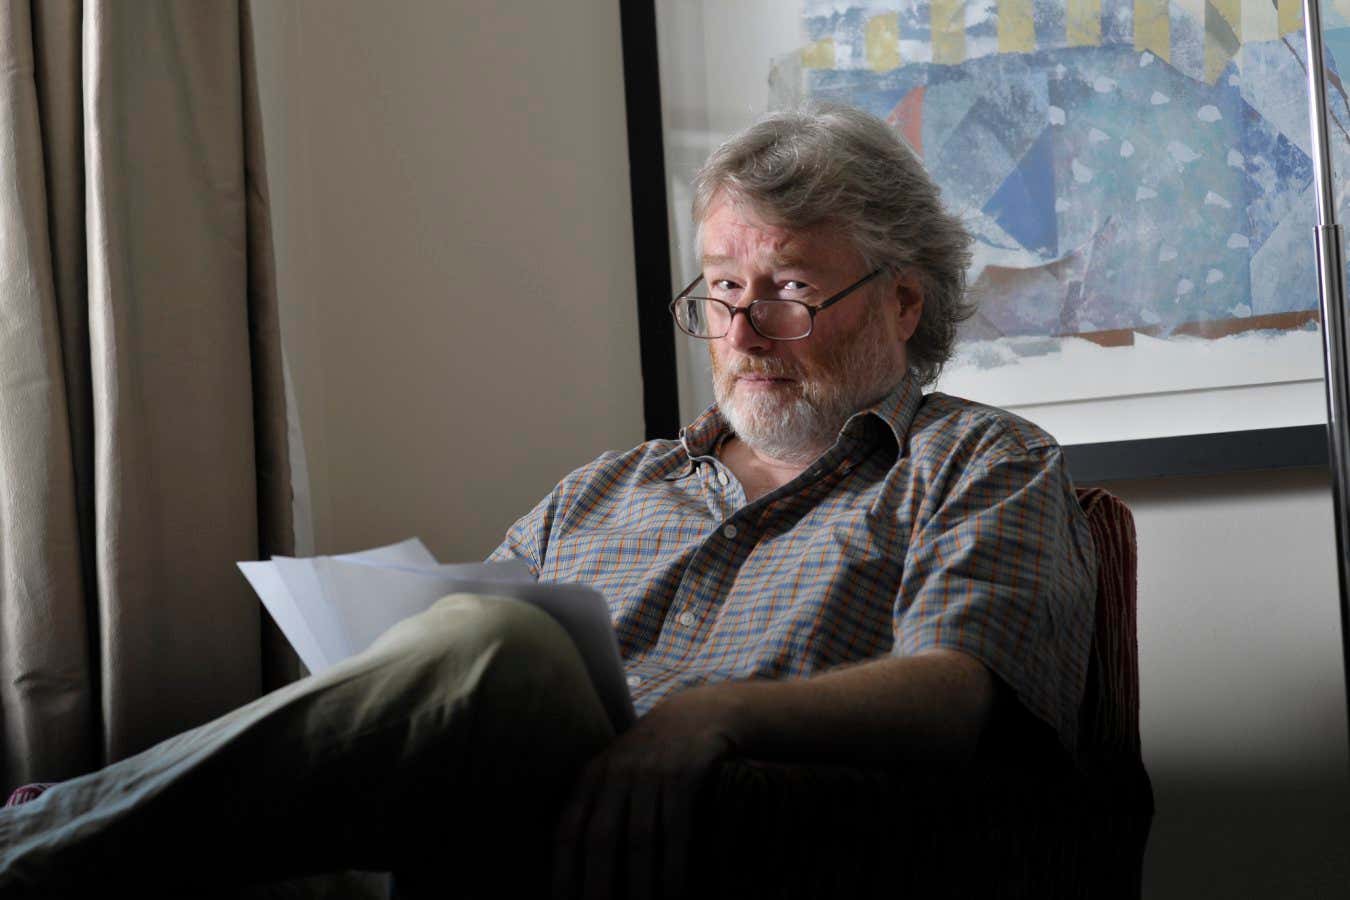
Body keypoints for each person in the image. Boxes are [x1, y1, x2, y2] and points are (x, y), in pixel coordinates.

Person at [0, 103, 1095, 899]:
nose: (743, 330)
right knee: (445, 667)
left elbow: (962, 695)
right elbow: (443, 677)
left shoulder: (983, 463)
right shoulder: (606, 489)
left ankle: (38, 841)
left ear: (902, 302)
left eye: (790, 291)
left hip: (734, 839)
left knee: (501, 647)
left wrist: (708, 719)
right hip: (488, 834)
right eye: (721, 290)